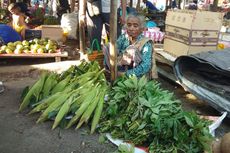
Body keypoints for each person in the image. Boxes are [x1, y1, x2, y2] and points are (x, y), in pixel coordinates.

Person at [104, 14, 157, 78]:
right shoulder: (124, 37)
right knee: (108, 47)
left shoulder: (146, 43)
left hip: (137, 76)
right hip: (121, 68)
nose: (131, 28)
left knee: (132, 50)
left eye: (135, 26)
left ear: (142, 28)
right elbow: (115, 49)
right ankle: (110, 71)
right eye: (129, 25)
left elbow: (146, 66)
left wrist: (125, 74)